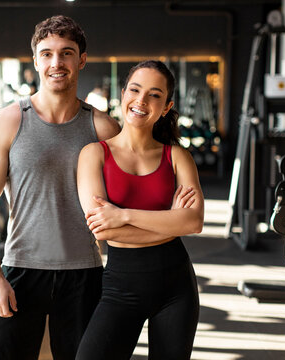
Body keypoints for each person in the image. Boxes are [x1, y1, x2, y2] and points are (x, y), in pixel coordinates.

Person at [0, 15, 120, 360]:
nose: (57, 62)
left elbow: (128, 194)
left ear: (81, 60)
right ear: (36, 60)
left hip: (84, 271)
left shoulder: (102, 126)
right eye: (48, 53)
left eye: (67, 53)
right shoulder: (7, 121)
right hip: (22, 269)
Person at [75, 60, 204, 360]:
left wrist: (124, 215)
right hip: (121, 287)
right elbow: (103, 230)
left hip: (177, 287)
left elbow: (194, 221)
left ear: (167, 106)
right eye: (135, 89)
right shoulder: (94, 154)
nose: (142, 101)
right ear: (123, 94)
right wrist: (170, 222)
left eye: (155, 95)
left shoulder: (177, 157)